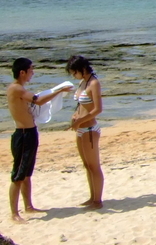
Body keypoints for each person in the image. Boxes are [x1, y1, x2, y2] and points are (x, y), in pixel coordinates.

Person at [7, 58, 68, 222]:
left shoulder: (20, 89)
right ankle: (14, 213)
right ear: (22, 72)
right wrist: (59, 91)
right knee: (18, 175)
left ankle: (28, 206)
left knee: (27, 174)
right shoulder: (16, 88)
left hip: (30, 132)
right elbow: (39, 100)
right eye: (31, 70)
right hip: (23, 134)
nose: (33, 73)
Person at [67, 55, 104, 209]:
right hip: (81, 128)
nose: (73, 76)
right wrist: (76, 116)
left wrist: (80, 121)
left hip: (89, 128)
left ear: (82, 69)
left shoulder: (94, 83)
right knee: (86, 165)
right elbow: (82, 105)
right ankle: (92, 196)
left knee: (94, 165)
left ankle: (98, 200)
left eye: (74, 72)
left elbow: (98, 109)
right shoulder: (83, 82)